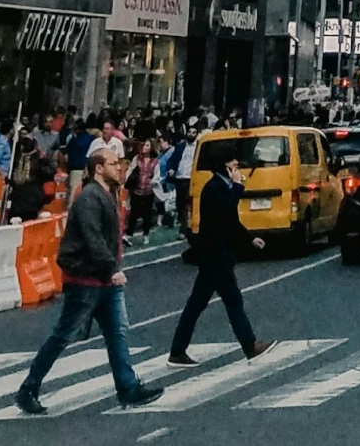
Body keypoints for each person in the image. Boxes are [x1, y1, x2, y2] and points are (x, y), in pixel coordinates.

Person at [16, 140, 162, 415]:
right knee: (63, 335)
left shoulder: (107, 193)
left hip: (104, 280)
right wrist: (111, 269)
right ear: (98, 168)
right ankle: (28, 388)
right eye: (112, 163)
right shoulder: (88, 198)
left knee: (118, 333)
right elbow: (92, 238)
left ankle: (128, 388)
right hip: (85, 280)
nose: (118, 167)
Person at [168, 149, 274, 369]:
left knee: (197, 304)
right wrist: (238, 185)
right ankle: (250, 346)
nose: (237, 167)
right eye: (233, 164)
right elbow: (227, 209)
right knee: (232, 301)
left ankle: (177, 351)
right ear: (225, 167)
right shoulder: (213, 188)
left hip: (215, 255)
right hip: (215, 254)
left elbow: (232, 221)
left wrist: (250, 238)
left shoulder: (220, 187)